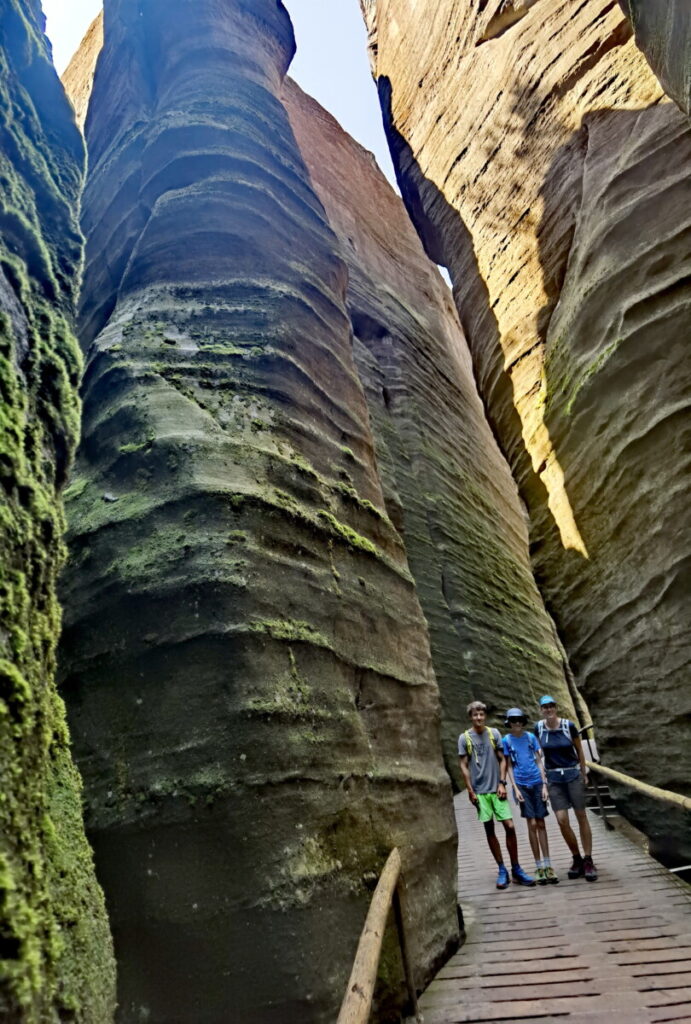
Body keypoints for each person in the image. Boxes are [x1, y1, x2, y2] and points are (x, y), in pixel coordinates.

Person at [459, 700, 535, 889]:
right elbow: (463, 764)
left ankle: (516, 868)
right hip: (480, 791)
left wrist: (502, 783)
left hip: (496, 788)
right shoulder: (464, 738)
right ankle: (502, 869)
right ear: (470, 717)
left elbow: (503, 759)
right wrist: (469, 790)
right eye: (475, 715)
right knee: (489, 828)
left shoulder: (494, 734)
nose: (479, 718)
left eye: (481, 714)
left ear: (485, 716)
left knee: (509, 826)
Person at [534, 695, 597, 881]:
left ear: (556, 708)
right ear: (541, 709)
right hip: (553, 777)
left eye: (551, 706)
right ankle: (576, 857)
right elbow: (537, 754)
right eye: (545, 707)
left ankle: (588, 859)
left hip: (572, 774)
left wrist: (584, 773)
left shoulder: (568, 726)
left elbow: (579, 751)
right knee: (562, 819)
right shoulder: (538, 728)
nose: (548, 709)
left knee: (581, 816)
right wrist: (542, 776)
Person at [503, 708, 558, 884]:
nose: (517, 723)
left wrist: (544, 784)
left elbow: (538, 760)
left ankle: (548, 865)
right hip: (522, 785)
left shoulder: (530, 738)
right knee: (532, 823)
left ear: (523, 721)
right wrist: (515, 788)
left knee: (541, 823)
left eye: (519, 720)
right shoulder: (506, 740)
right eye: (513, 720)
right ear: (509, 722)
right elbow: (509, 765)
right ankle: (538, 866)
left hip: (536, 783)